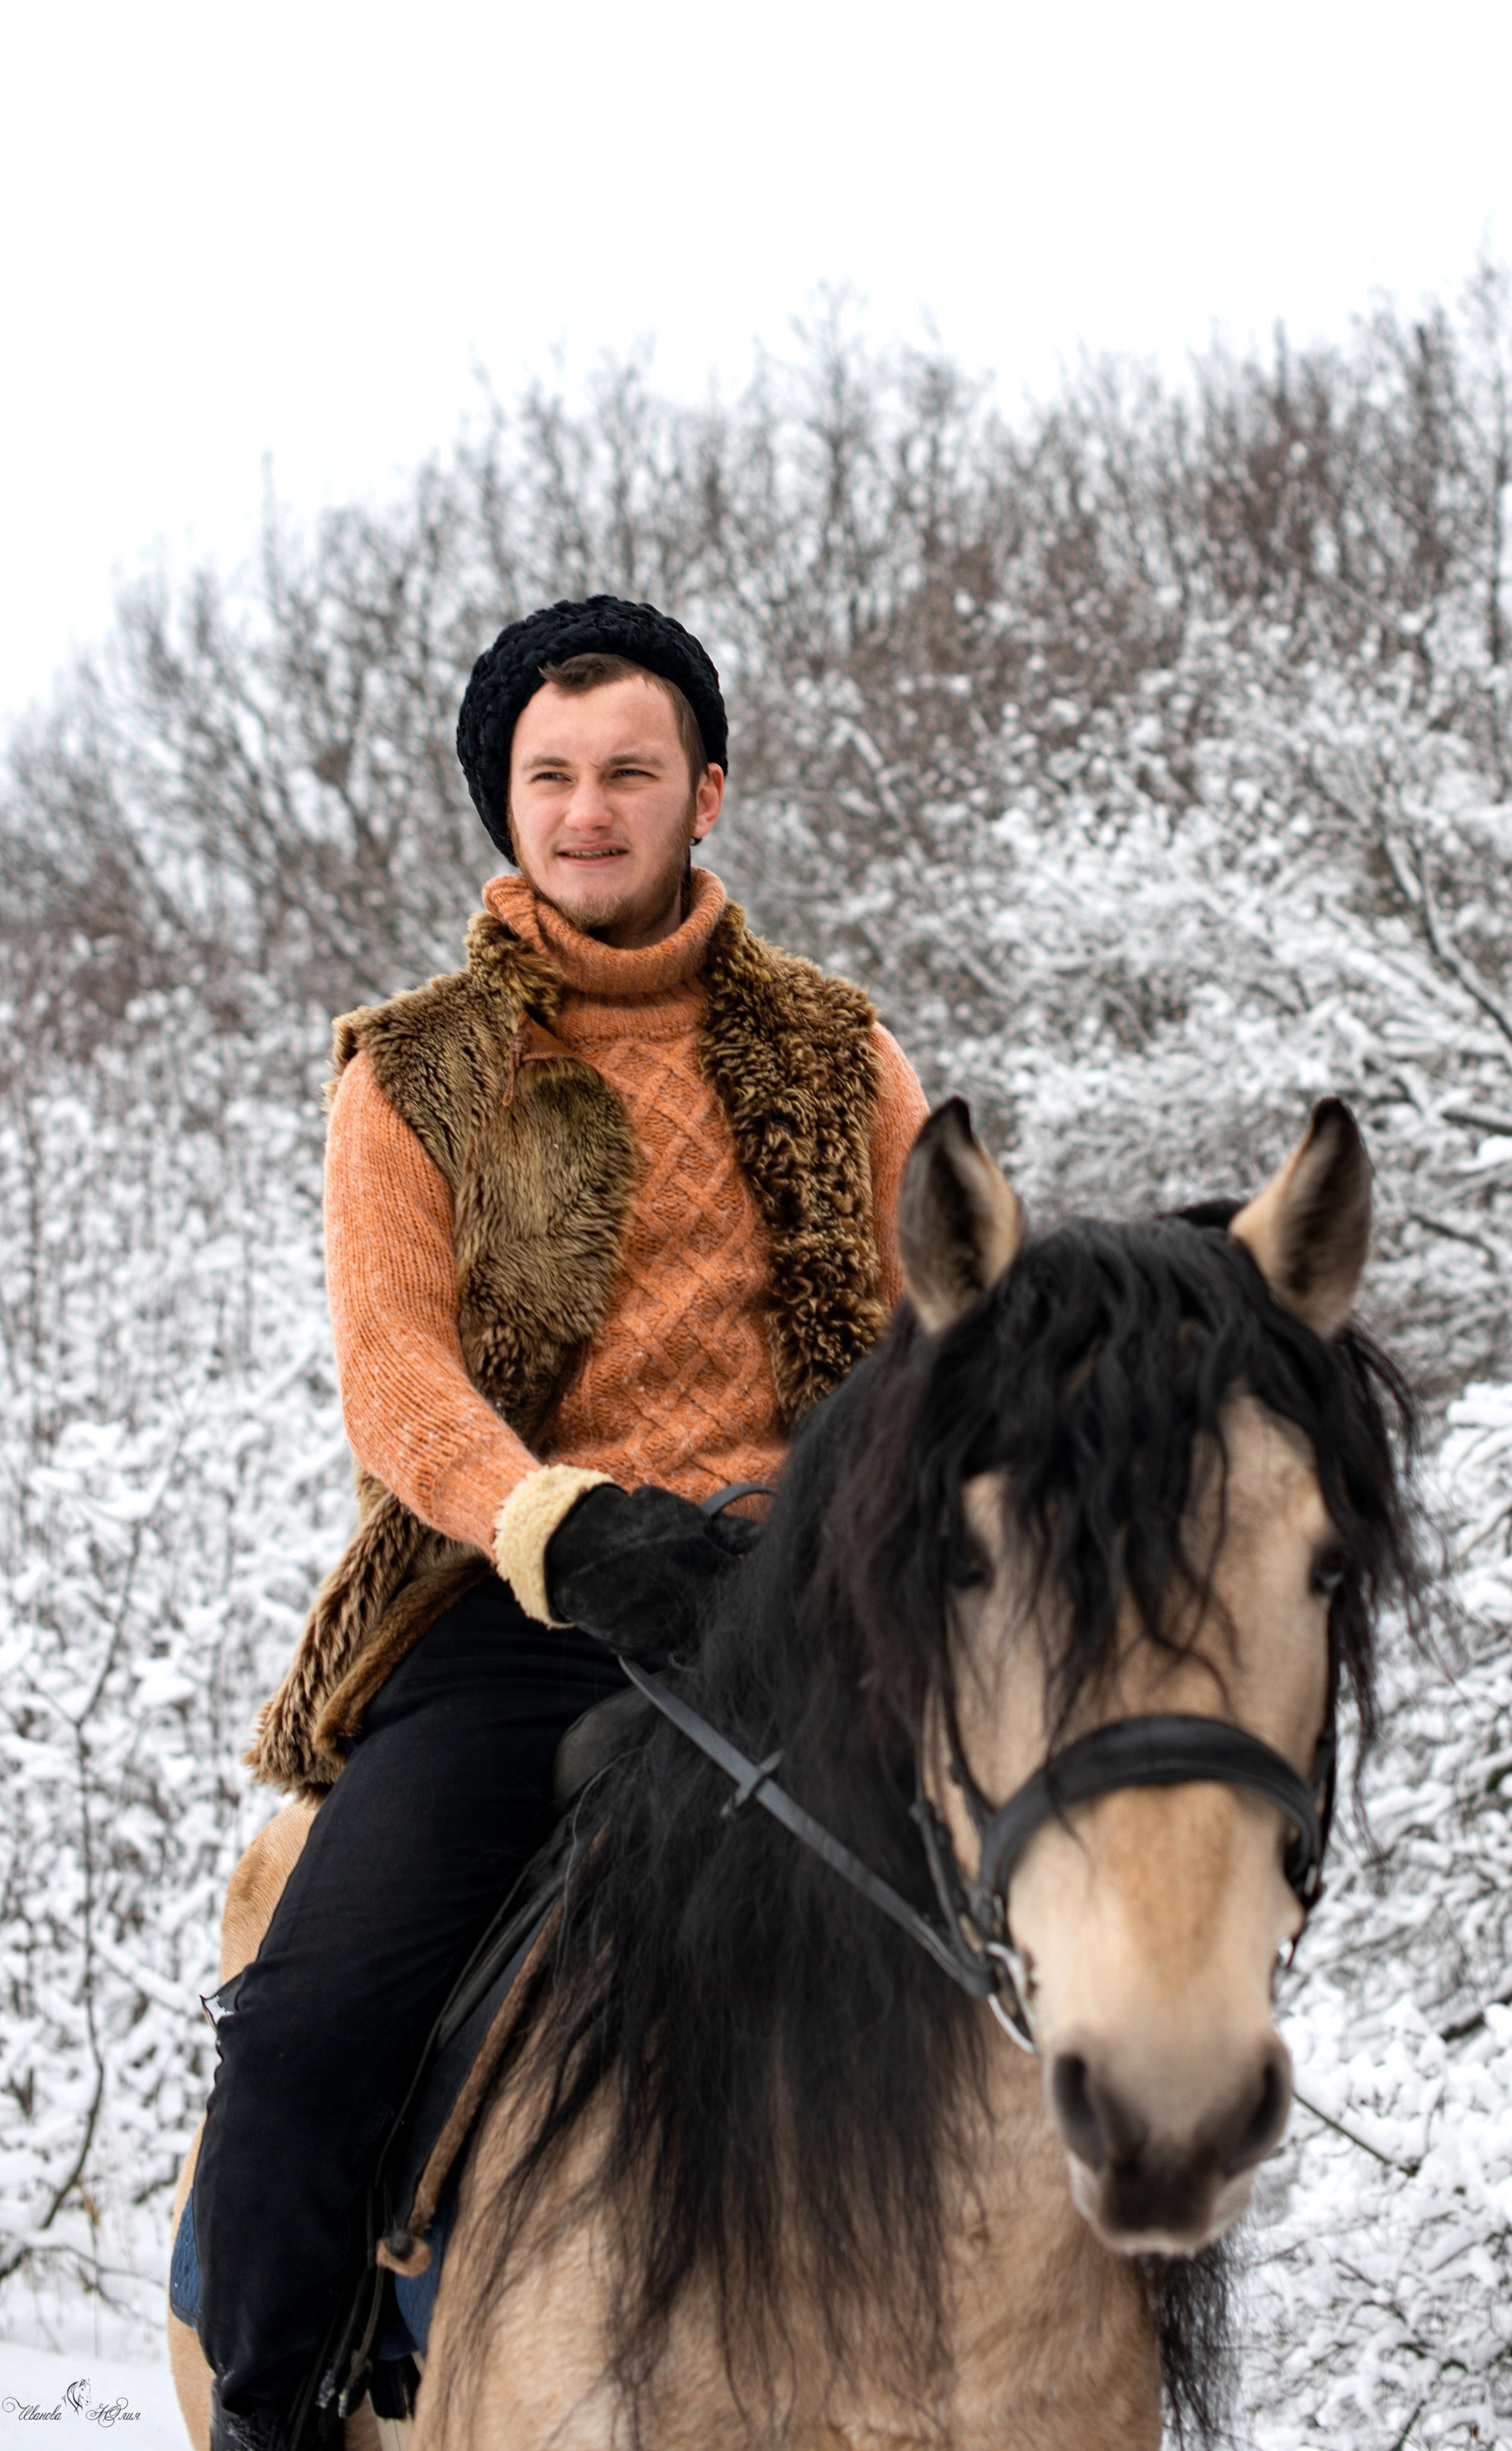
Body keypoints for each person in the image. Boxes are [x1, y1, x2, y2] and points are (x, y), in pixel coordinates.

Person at [191, 597, 930, 2448]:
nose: (589, 810)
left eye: (629, 773)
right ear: (502, 804)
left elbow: (942, 1336)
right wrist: (564, 1522)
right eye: (552, 777)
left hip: (812, 1611)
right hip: (530, 1618)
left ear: (707, 793)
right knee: (299, 2034)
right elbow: (398, 1378)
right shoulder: (416, 1069)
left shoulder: (844, 1054)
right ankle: (276, 2410)